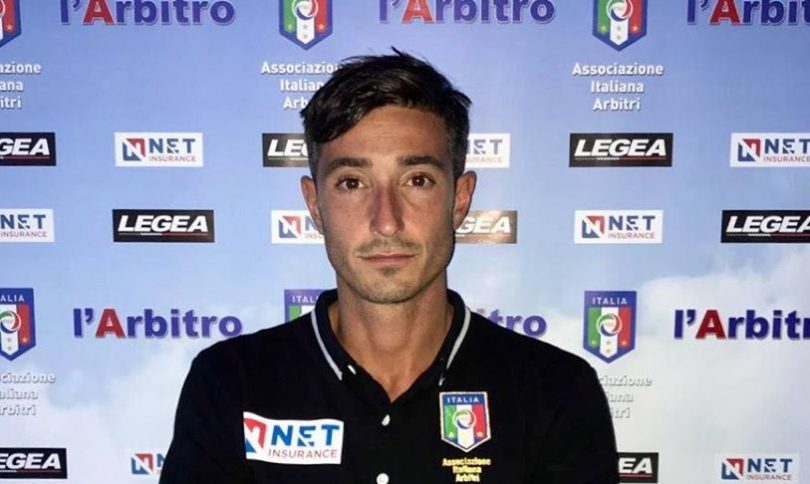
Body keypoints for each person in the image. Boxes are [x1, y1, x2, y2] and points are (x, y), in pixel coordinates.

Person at [160, 51, 618, 484]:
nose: (386, 220)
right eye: (352, 183)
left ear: (460, 199)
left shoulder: (554, 391)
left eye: (417, 180)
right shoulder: (232, 383)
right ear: (314, 205)